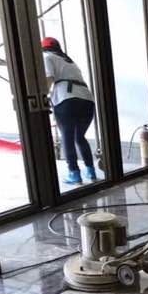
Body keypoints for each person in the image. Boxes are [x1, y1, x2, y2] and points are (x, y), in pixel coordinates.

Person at [42, 37, 96, 185]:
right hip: (87, 99)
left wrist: (42, 97)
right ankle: (91, 171)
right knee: (80, 137)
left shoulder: (47, 57)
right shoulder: (69, 61)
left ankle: (74, 173)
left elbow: (48, 79)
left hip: (67, 99)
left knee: (67, 136)